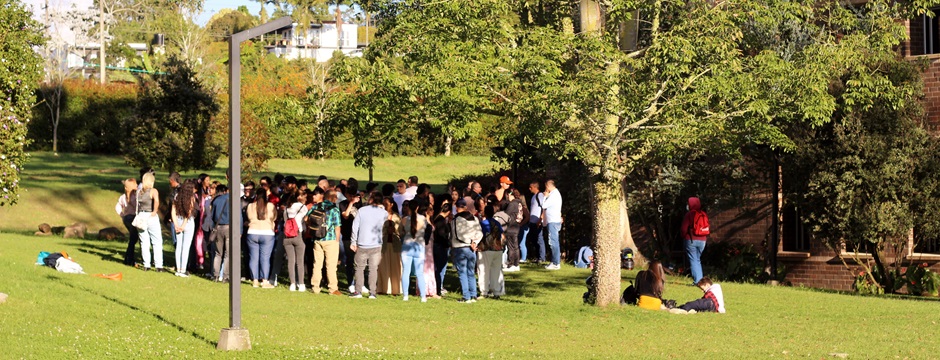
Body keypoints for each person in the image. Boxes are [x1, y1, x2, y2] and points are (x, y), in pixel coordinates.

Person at [351, 192, 388, 299]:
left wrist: (353, 241)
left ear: (371, 199)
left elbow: (355, 227)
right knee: (373, 269)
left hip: (362, 243)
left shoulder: (362, 210)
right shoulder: (383, 213)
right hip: (376, 244)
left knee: (359, 268)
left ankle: (358, 291)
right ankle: (372, 292)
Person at [310, 189, 343, 295]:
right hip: (330, 239)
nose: (337, 199)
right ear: (332, 197)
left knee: (317, 264)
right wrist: (337, 241)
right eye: (336, 197)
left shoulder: (316, 206)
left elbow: (307, 218)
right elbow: (337, 227)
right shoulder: (334, 209)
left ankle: (315, 287)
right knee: (331, 265)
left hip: (317, 239)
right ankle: (332, 288)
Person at [451, 198, 483, 303]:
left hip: (461, 247)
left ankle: (466, 296)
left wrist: (470, 242)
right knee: (470, 272)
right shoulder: (474, 218)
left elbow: (458, 235)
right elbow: (479, 233)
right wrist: (474, 243)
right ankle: (473, 294)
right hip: (471, 248)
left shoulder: (457, 220)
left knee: (462, 273)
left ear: (456, 208)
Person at [400, 201, 430, 302]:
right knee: (419, 273)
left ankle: (405, 295)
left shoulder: (404, 219)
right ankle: (423, 296)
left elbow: (401, 232)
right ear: (417, 207)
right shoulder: (423, 219)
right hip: (419, 247)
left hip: (407, 246)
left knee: (406, 272)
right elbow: (427, 229)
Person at [247, 188, 276, 289]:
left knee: (253, 258)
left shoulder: (250, 206)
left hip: (252, 232)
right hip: (267, 233)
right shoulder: (270, 206)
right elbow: (274, 217)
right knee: (265, 258)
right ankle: (264, 281)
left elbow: (249, 217)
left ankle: (255, 281)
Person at [137, 172, 165, 272]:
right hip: (150, 216)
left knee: (144, 241)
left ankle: (146, 264)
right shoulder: (153, 191)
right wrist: (154, 211)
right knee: (156, 240)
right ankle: (158, 265)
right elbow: (156, 201)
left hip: (141, 215)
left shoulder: (139, 191)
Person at [478, 205, 506, 299]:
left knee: (483, 270)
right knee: (496, 271)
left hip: (486, 249)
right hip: (497, 249)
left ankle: (484, 292)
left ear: (485, 213)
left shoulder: (483, 223)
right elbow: (501, 234)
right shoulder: (497, 223)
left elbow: (480, 234)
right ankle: (496, 291)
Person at [377, 197, 403, 295]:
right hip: (383, 243)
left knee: (396, 267)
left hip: (395, 244)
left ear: (391, 204)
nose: (384, 206)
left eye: (386, 203)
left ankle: (396, 289)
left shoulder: (396, 216)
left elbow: (400, 230)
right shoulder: (380, 216)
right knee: (383, 266)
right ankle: (383, 288)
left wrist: (394, 231)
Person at [171, 181, 198, 277]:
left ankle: (178, 269)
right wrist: (183, 225)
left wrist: (176, 224)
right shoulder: (191, 198)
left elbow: (173, 211)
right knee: (186, 247)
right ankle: (183, 269)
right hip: (188, 223)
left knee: (179, 246)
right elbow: (189, 213)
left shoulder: (177, 196)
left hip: (178, 220)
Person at [283, 190, 308, 292]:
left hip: (287, 237)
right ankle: (301, 284)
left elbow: (285, 220)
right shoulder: (302, 207)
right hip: (298, 235)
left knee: (291, 261)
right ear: (299, 197)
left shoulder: (286, 208)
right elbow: (304, 219)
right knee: (300, 261)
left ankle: (292, 283)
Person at [681, 196, 709, 284]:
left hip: (691, 240)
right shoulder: (703, 214)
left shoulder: (689, 214)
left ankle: (698, 281)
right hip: (703, 240)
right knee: (697, 260)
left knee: (694, 260)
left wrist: (684, 236)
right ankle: (700, 280)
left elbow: (684, 229)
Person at [339, 186, 362, 293]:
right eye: (350, 195)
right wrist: (351, 203)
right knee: (350, 260)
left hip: (360, 236)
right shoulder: (343, 204)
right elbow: (346, 216)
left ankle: (360, 283)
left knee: (360, 261)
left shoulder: (359, 204)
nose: (352, 197)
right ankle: (351, 283)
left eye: (354, 195)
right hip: (348, 235)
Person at [208, 183, 231, 282]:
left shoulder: (216, 200)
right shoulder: (232, 199)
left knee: (218, 253)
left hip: (218, 228)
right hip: (229, 227)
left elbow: (212, 216)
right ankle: (225, 276)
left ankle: (215, 275)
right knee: (228, 253)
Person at [115, 178, 139, 267]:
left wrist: (122, 215)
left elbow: (117, 207)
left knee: (133, 239)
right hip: (133, 219)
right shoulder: (135, 197)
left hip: (127, 219)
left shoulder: (122, 197)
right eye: (136, 184)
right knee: (133, 239)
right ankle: (130, 260)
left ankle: (128, 259)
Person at [431, 198, 452, 295]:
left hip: (437, 245)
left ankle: (438, 286)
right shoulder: (441, 221)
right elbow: (442, 234)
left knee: (438, 268)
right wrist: (448, 243)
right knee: (440, 269)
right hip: (441, 246)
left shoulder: (436, 218)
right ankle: (438, 287)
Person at [541, 179, 563, 270]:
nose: (546, 189)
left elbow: (544, 205)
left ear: (549, 186)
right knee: (554, 241)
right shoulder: (555, 194)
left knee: (553, 241)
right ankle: (555, 261)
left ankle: (556, 263)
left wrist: (545, 197)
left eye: (546, 187)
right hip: (553, 220)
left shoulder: (553, 195)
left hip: (553, 221)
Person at [502, 189, 524, 272]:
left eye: (508, 195)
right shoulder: (519, 203)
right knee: (515, 246)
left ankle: (511, 264)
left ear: (511, 195)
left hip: (511, 226)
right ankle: (516, 264)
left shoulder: (512, 204)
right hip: (517, 226)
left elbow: (506, 215)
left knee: (511, 246)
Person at [526, 181, 546, 264]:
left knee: (539, 239)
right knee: (534, 239)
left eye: (531, 187)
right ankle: (538, 257)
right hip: (532, 221)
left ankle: (542, 257)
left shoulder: (540, 195)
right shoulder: (534, 196)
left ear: (535, 187)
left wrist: (540, 219)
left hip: (537, 221)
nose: (529, 189)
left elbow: (544, 207)